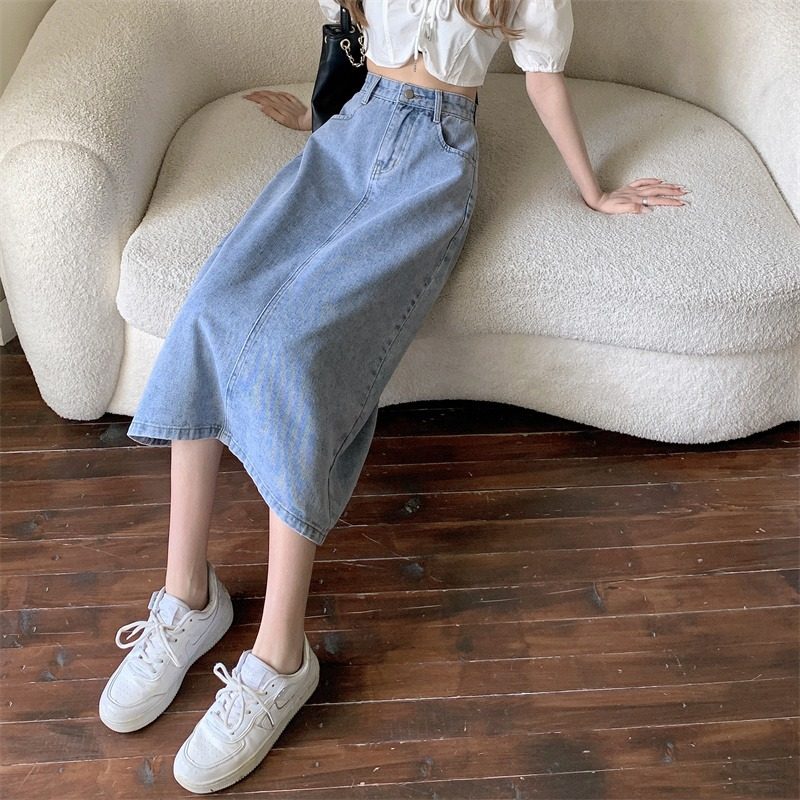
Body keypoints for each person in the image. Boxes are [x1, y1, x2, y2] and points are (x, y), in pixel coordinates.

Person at [99, 0, 687, 794]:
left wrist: (594, 190)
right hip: (350, 135)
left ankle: (281, 657)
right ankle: (186, 597)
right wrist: (316, 118)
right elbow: (344, 42)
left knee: (296, 357)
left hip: (435, 161)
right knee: (209, 311)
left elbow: (544, 79)